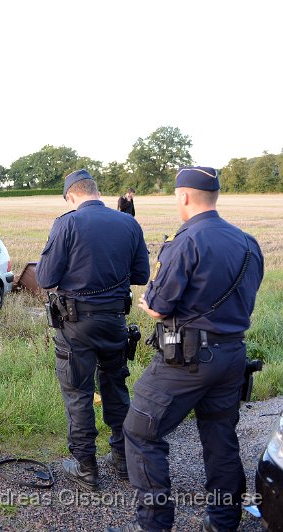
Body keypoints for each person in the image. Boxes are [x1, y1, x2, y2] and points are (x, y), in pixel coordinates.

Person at [111, 167, 264, 532]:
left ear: (184, 196)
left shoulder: (187, 240)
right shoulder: (248, 243)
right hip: (232, 355)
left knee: (140, 430)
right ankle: (224, 522)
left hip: (186, 359)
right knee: (220, 439)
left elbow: (160, 305)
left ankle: (153, 524)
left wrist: (149, 304)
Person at [36, 169, 150, 490]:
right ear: (96, 192)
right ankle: (124, 460)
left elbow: (45, 278)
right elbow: (140, 274)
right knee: (115, 386)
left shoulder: (67, 223)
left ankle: (86, 467)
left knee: (78, 392)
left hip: (75, 325)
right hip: (114, 322)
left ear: (71, 196)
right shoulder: (128, 223)